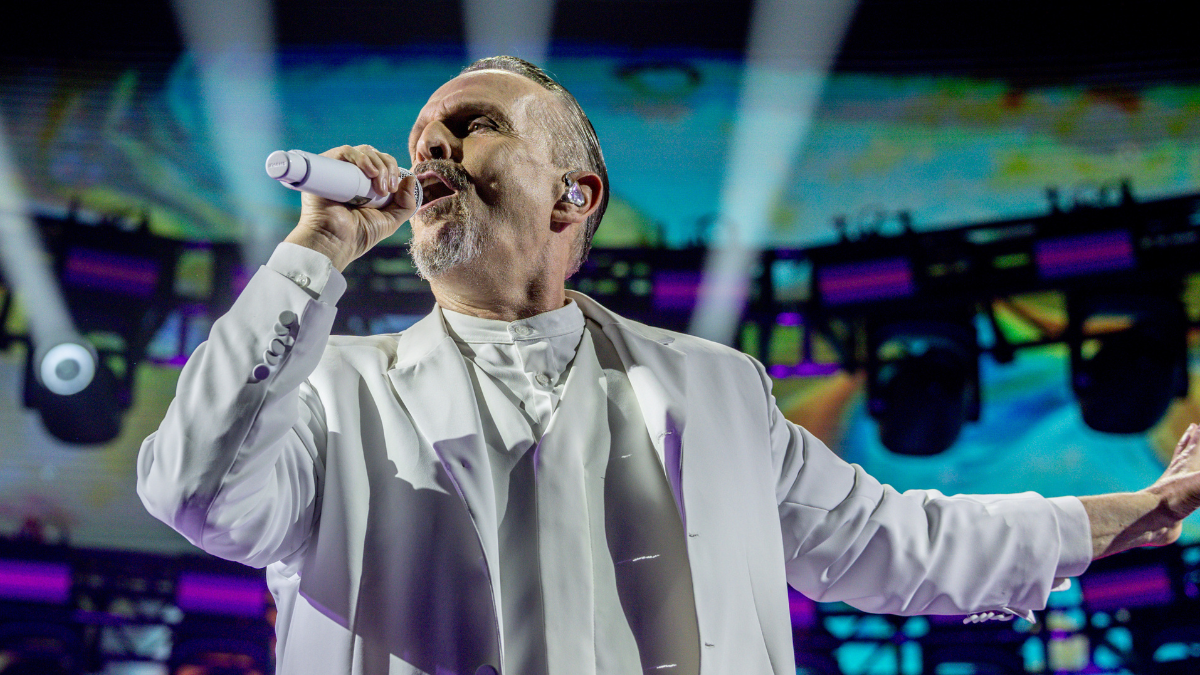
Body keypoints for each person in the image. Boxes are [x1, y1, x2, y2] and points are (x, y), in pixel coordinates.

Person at [136, 56, 1200, 675]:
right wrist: (315, 250)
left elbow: (896, 544)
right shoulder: (331, 388)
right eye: (422, 135)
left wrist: (1136, 514)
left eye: (473, 125)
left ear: (574, 195)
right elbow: (196, 491)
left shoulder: (716, 388)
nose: (430, 149)